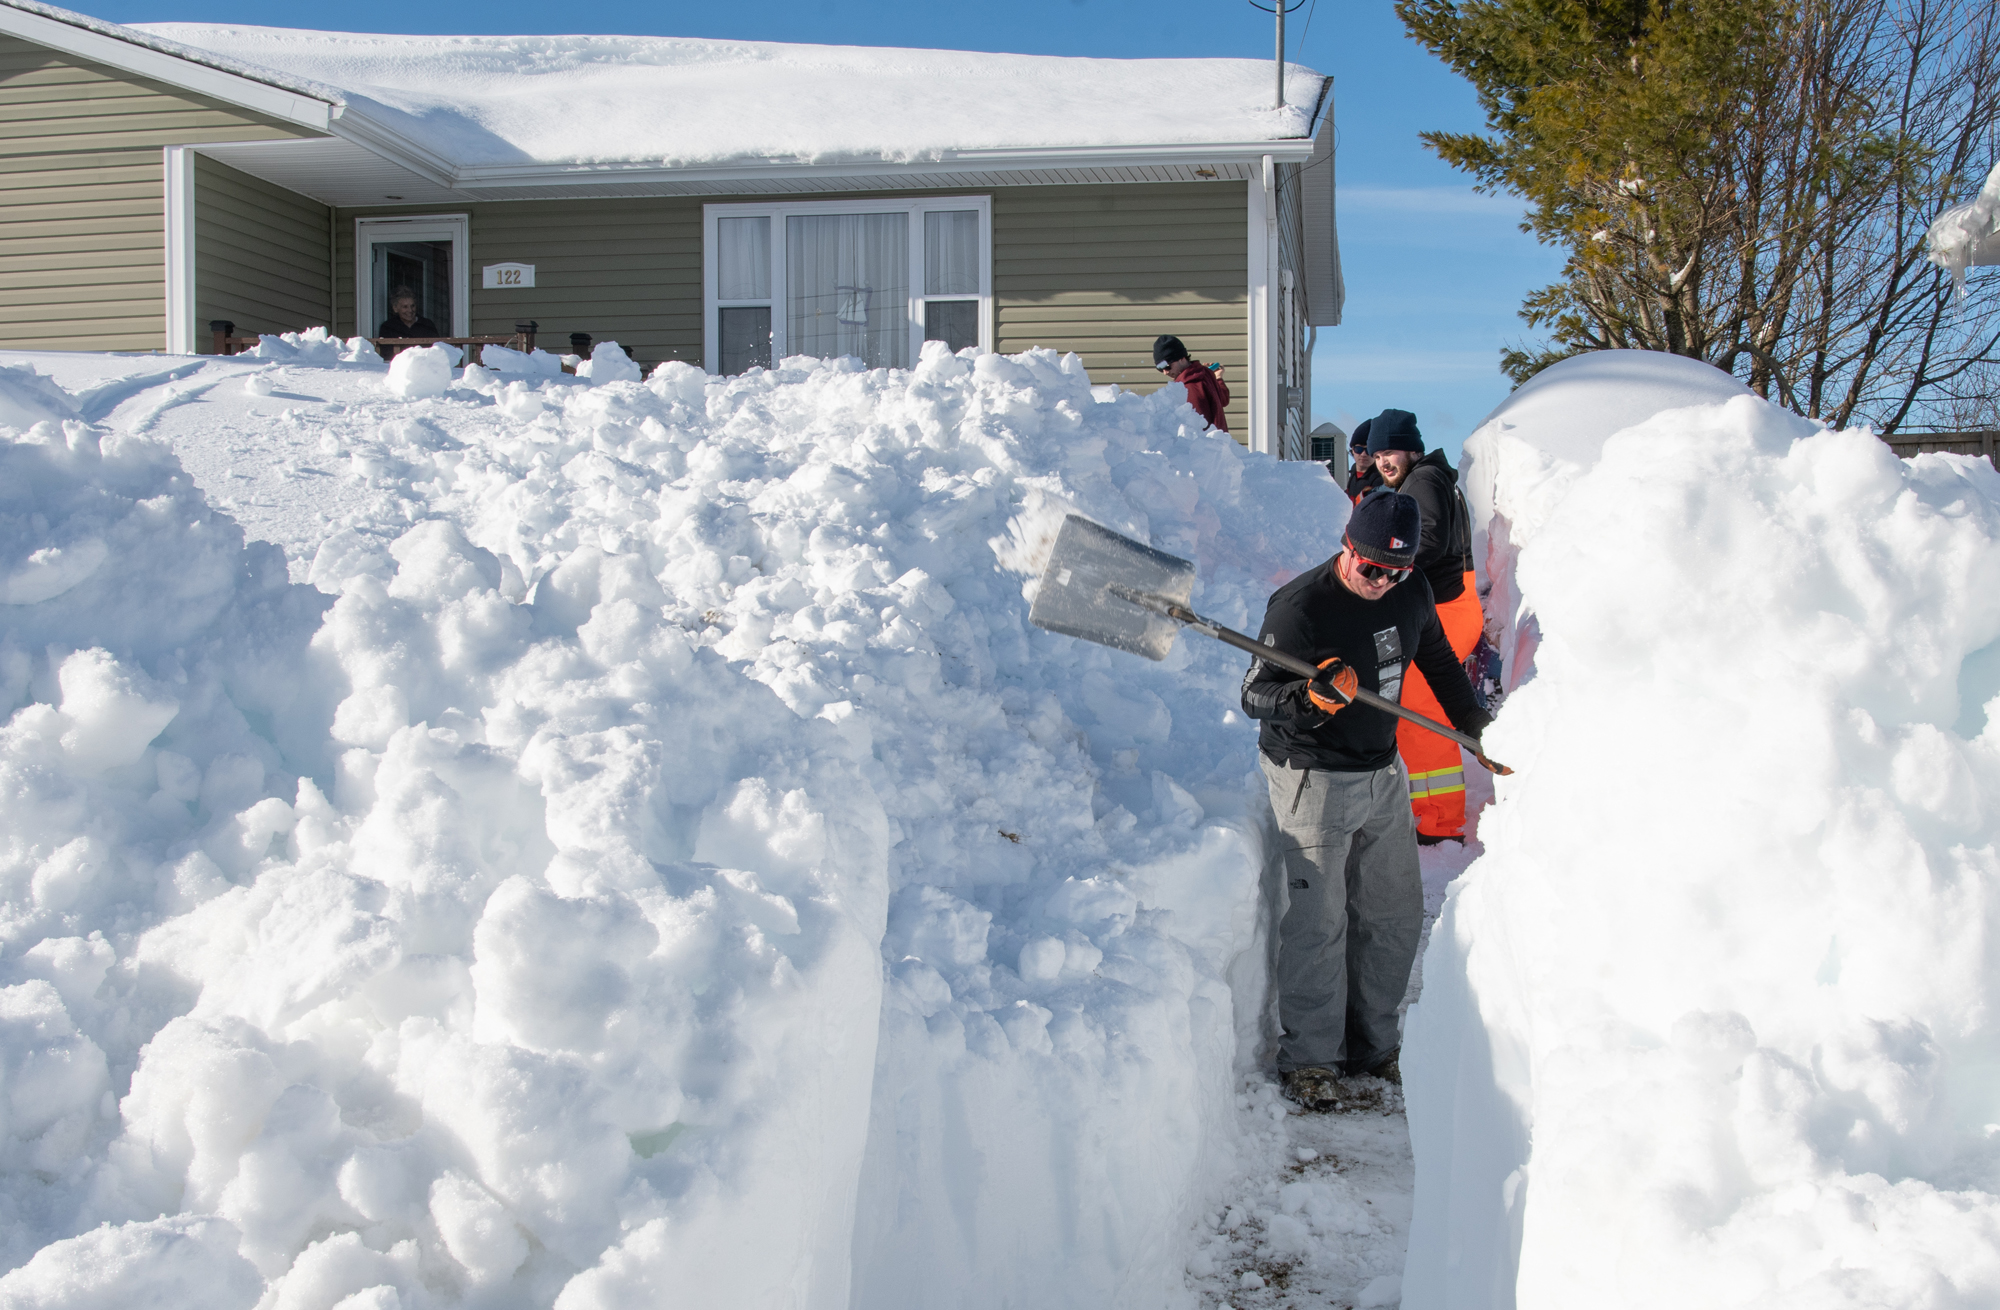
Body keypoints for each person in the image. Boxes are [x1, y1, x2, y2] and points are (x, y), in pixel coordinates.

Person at [1243, 488, 1491, 1108]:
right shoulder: (1301, 608)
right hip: (1313, 777)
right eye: (1370, 566)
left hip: (1383, 771)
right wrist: (1308, 701)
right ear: (1348, 546)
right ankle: (1311, 1060)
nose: (1381, 580)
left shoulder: (1410, 591)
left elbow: (1435, 657)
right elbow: (1253, 695)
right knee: (1319, 924)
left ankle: (1374, 1046)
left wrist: (1475, 725)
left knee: (1392, 913)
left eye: (1395, 570)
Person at [1365, 409, 1484, 842]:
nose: (1383, 461)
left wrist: (1385, 568)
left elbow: (1428, 538)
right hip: (1448, 606)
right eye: (1377, 454)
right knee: (1414, 709)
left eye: (1390, 451)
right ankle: (1429, 812)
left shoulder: (1425, 481)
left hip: (1448, 610)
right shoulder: (1426, 478)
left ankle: (1439, 820)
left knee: (1419, 711)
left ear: (1412, 450)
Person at [1152, 334, 1230, 431]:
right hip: (1220, 444)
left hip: (1205, 445)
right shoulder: (1206, 373)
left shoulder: (1188, 386)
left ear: (1181, 358)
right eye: (1160, 368)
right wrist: (1218, 378)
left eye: (1166, 366)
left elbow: (1196, 430)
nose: (1165, 372)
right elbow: (1223, 400)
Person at [376, 286, 440, 352]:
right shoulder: (388, 327)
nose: (410, 310)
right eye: (405, 307)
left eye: (413, 306)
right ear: (395, 308)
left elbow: (437, 349)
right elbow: (385, 353)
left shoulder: (427, 325)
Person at [1345, 420, 1382, 502]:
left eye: (1368, 450)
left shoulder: (1381, 479)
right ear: (1352, 450)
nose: (1363, 454)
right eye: (1358, 449)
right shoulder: (1353, 474)